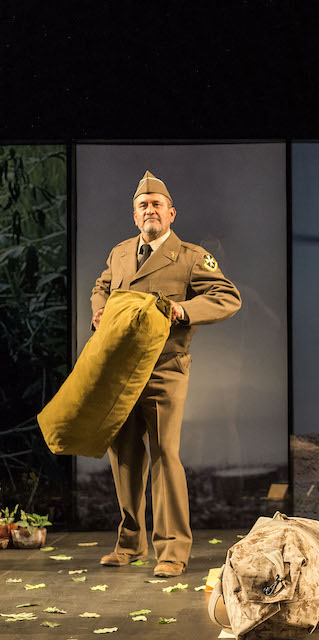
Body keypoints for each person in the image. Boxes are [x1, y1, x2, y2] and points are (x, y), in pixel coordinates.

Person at [91, 170, 241, 577]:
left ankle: (172, 550)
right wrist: (99, 311)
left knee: (164, 455)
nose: (150, 210)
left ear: (171, 213)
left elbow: (228, 297)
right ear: (134, 215)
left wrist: (185, 310)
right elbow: (101, 286)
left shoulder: (190, 256)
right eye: (143, 205)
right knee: (123, 456)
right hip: (120, 370)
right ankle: (129, 542)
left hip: (164, 369)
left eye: (157, 204)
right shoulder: (120, 253)